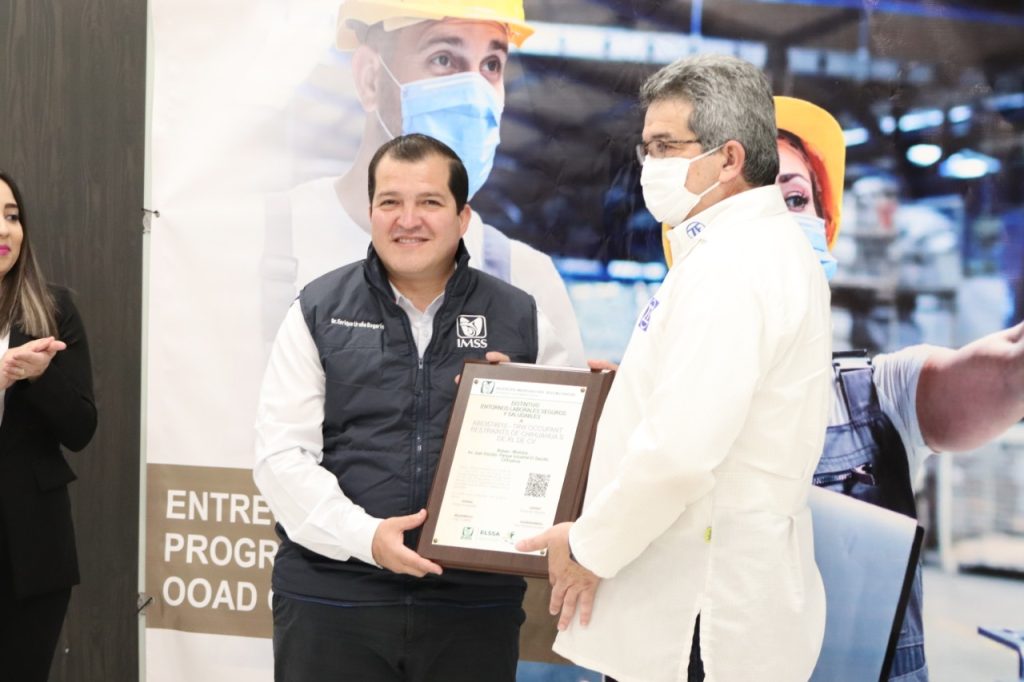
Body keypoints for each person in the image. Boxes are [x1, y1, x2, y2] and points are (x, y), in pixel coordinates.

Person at [517, 55, 832, 682]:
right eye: (646, 148)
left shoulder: (731, 266)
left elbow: (679, 454)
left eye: (665, 146)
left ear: (729, 158)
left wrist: (587, 547)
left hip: (698, 618)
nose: (649, 166)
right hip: (714, 596)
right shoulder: (747, 251)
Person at [254, 133, 571, 682]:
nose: (408, 220)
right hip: (334, 596)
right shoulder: (318, 309)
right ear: (370, 212)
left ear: (462, 216)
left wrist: (526, 401)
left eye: (429, 202)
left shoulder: (520, 317)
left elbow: (567, 454)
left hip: (471, 602)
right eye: (390, 202)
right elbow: (281, 456)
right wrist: (366, 538)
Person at [773, 95, 1024, 682]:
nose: (778, 225)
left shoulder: (879, 392)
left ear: (826, 226)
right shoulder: (653, 410)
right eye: (751, 205)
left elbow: (1011, 368)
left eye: (795, 199)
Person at [261, 0, 585, 369]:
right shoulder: (263, 242)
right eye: (443, 59)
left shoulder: (527, 281)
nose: (474, 94)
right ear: (370, 79)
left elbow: (573, 405)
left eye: (491, 65)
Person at [0, 171, 97, 682]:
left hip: (29, 550)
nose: (5, 230)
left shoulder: (53, 309)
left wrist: (41, 377)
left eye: (12, 216)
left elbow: (81, 429)